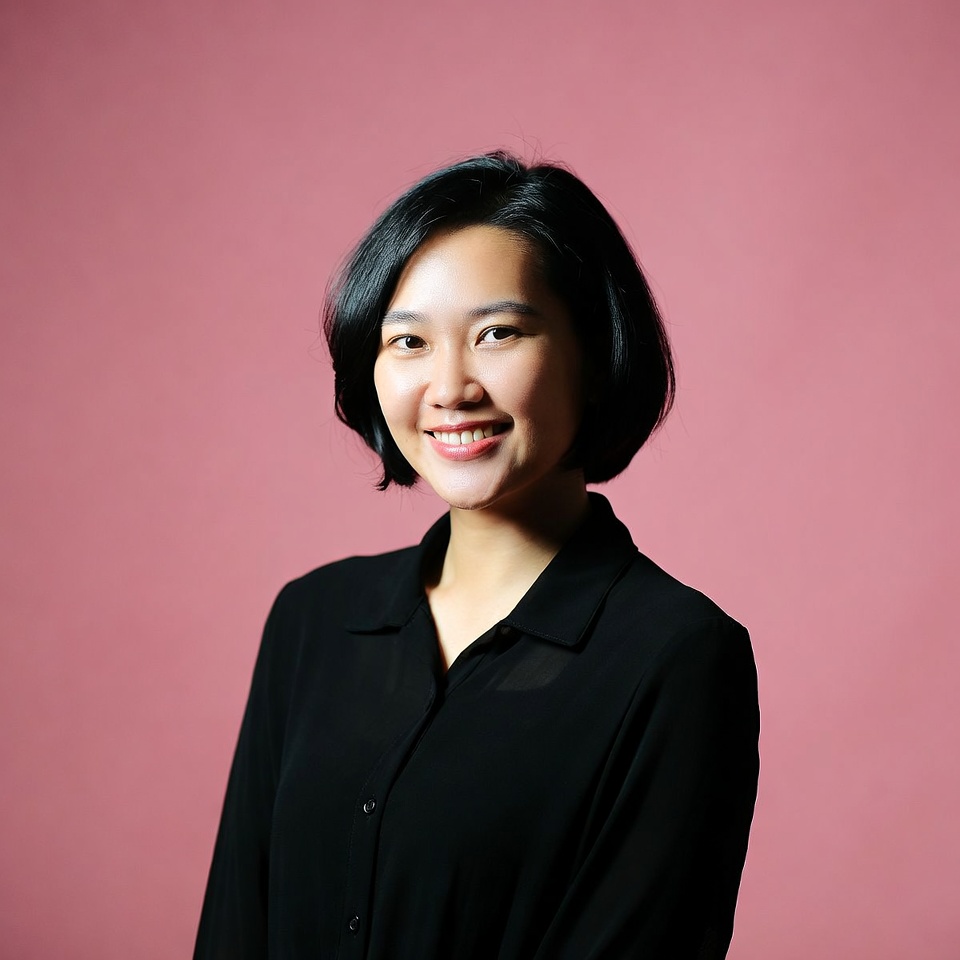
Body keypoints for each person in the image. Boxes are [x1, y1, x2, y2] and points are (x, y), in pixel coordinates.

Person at [194, 151, 760, 959]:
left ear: (593, 355)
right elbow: (233, 931)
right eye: (408, 342)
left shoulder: (676, 655)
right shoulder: (312, 621)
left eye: (498, 333)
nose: (451, 387)